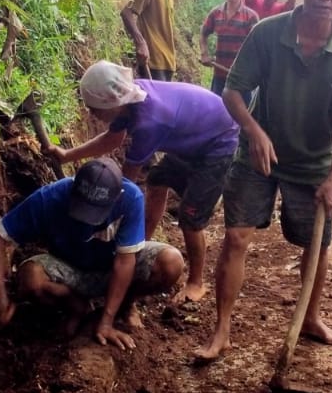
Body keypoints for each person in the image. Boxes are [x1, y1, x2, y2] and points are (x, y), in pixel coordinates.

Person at [194, 0, 332, 362]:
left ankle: (311, 318)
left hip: (312, 163)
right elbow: (233, 92)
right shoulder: (268, 33)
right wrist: (253, 131)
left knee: (316, 244)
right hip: (259, 156)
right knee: (236, 237)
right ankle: (222, 330)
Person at [46, 62, 240, 303]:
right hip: (193, 137)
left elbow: (125, 183)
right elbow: (112, 139)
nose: (91, 113)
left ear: (111, 101)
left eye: (93, 107)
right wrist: (67, 155)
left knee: (190, 218)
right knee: (158, 179)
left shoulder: (150, 122)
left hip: (218, 143)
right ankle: (142, 242)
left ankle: (196, 282)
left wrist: (108, 223)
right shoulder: (128, 102)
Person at [0, 158, 184, 349]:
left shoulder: (131, 198)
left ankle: (123, 306)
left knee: (171, 263)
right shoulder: (50, 197)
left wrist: (106, 323)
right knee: (30, 279)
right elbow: (0, 235)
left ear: (117, 197)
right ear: (72, 189)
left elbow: (125, 263)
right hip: (68, 268)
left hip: (111, 267)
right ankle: (78, 307)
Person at [200, 0, 259, 95]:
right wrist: (204, 54)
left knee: (241, 112)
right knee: (217, 110)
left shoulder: (251, 17)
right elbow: (203, 33)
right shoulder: (215, 13)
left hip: (241, 77)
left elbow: (257, 46)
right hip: (219, 74)